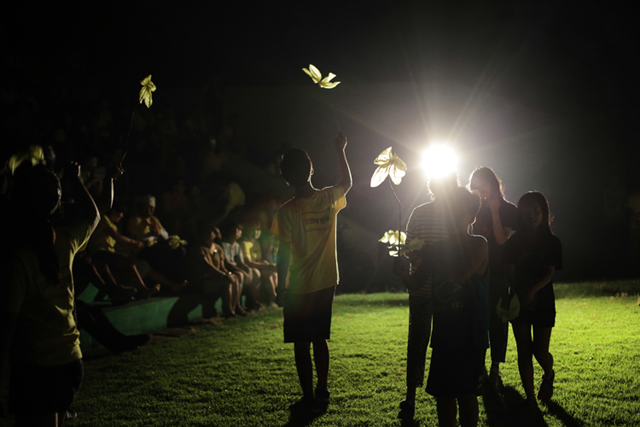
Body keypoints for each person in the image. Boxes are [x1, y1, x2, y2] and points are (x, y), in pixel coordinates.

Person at [0, 161, 100, 426]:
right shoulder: (65, 242)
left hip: (36, 365)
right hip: (70, 360)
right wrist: (75, 179)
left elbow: (8, 322)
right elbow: (94, 216)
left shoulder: (18, 259)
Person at [271, 132, 351, 410]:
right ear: (311, 169)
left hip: (299, 287)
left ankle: (307, 396)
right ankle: (322, 389)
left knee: (301, 343)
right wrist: (340, 150)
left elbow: (283, 255)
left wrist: (280, 287)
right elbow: (347, 183)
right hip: (327, 282)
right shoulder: (327, 198)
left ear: (286, 178)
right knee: (320, 338)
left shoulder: (287, 212)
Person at [395, 187, 489, 426]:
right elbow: (416, 283)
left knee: (467, 395)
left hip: (471, 334)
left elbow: (459, 275)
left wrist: (434, 255)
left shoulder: (479, 244)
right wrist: (402, 272)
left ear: (472, 217)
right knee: (444, 396)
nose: (451, 216)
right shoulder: (436, 248)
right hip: (444, 333)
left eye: (458, 211)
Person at [400, 172, 459, 414]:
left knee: (447, 343)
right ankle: (411, 396)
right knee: (418, 340)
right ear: (432, 187)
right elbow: (408, 246)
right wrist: (415, 255)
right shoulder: (419, 213)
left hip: (449, 290)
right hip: (421, 288)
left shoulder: (457, 215)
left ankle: (446, 392)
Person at [504, 191, 562, 409]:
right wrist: (520, 291)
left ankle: (548, 373)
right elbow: (509, 271)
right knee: (524, 350)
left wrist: (533, 289)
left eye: (536, 210)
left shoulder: (552, 242)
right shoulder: (513, 241)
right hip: (519, 300)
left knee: (540, 351)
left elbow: (549, 273)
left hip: (544, 301)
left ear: (544, 212)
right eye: (526, 211)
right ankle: (530, 398)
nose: (531, 215)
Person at [468, 167, 518, 390]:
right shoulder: (473, 209)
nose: (480, 189)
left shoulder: (508, 209)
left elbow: (500, 240)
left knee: (497, 321)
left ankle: (495, 369)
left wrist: (495, 211)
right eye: (476, 185)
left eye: (484, 183)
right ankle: (478, 368)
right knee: (477, 320)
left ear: (493, 184)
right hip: (475, 273)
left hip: (498, 273)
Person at [239, 219, 277, 305]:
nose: (257, 232)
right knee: (258, 273)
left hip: (257, 266)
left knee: (272, 272)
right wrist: (268, 266)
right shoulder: (244, 243)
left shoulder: (256, 243)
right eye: (254, 229)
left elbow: (259, 259)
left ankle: (274, 298)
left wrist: (270, 265)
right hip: (250, 268)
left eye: (258, 229)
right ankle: (257, 301)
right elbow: (249, 262)